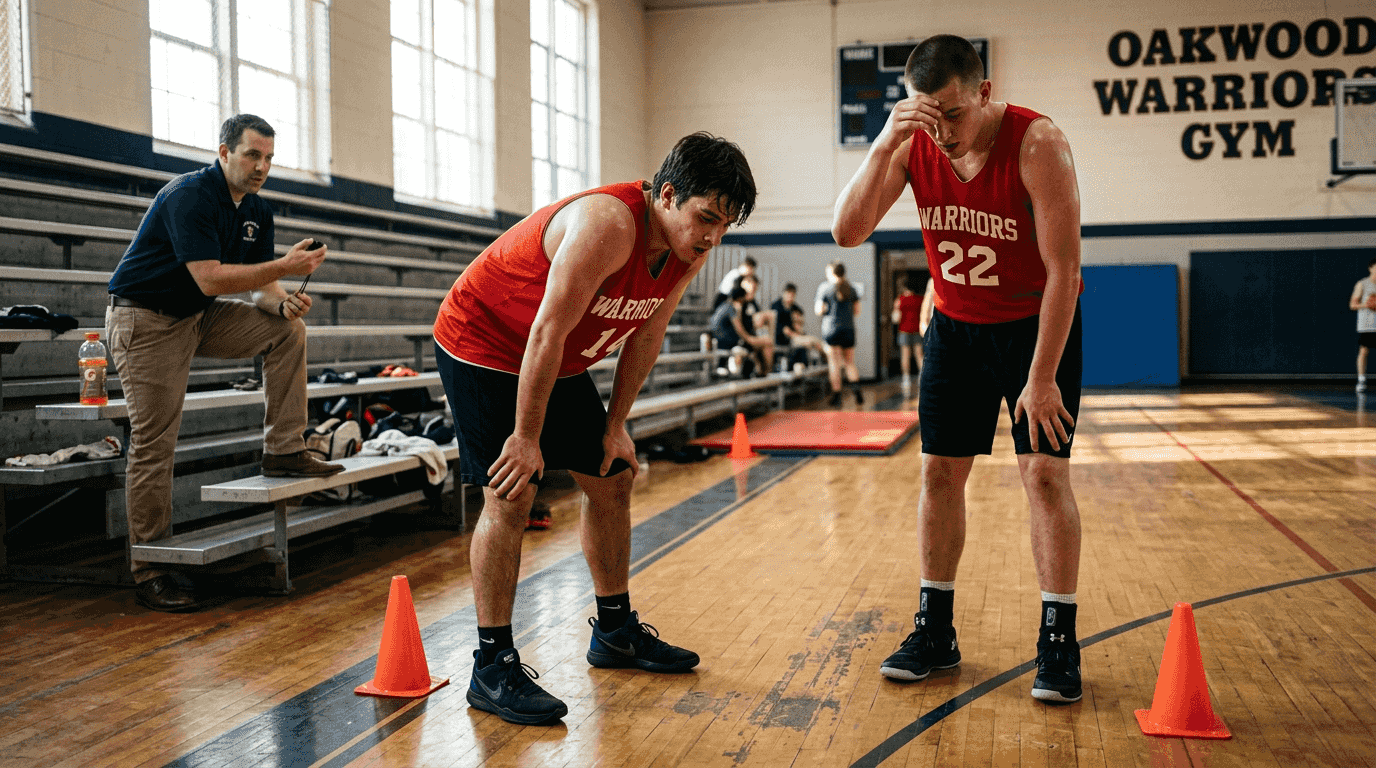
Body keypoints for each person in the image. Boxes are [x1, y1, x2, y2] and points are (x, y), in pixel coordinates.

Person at [432, 132, 756, 725]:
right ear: (665, 195)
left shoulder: (689, 248)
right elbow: (546, 331)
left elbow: (648, 333)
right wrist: (525, 438)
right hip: (483, 340)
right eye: (705, 217)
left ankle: (614, 633)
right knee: (512, 491)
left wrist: (616, 425)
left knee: (612, 476)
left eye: (724, 225)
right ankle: (491, 665)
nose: (712, 236)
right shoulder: (608, 226)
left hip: (553, 356)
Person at [832, 34, 1087, 704]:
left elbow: (1065, 271)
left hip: (1035, 330)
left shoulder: (1039, 145)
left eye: (952, 113)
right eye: (925, 113)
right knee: (939, 472)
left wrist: (1042, 377)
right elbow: (846, 231)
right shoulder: (913, 142)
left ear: (983, 92)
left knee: (1044, 474)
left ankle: (1058, 640)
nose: (940, 130)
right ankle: (935, 630)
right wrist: (885, 143)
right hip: (955, 327)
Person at [106, 114, 344, 613]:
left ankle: (283, 449)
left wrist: (282, 302)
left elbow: (262, 291)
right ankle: (150, 567)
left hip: (196, 316)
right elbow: (210, 279)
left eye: (269, 158)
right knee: (155, 442)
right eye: (252, 155)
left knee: (288, 331)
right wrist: (284, 267)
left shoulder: (257, 208)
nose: (262, 167)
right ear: (223, 153)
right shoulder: (188, 196)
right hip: (145, 320)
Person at [815, 260, 863, 406]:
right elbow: (857, 311)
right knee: (849, 363)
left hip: (831, 329)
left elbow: (818, 310)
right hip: (848, 329)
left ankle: (837, 396)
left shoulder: (825, 288)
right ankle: (857, 392)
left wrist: (828, 310)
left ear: (831, 272)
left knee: (834, 363)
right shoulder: (851, 288)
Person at [710, 285, 771, 378]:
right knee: (752, 346)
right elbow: (740, 330)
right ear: (740, 298)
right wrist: (750, 339)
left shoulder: (723, 306)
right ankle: (761, 373)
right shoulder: (731, 308)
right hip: (725, 340)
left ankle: (758, 372)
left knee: (752, 345)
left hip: (719, 338)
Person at [771, 283, 823, 372]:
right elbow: (784, 329)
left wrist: (799, 331)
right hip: (783, 339)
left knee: (816, 344)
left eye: (792, 295)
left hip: (796, 337)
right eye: (788, 294)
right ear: (784, 293)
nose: (790, 297)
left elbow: (800, 324)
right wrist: (797, 336)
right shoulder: (777, 306)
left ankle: (824, 365)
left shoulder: (795, 308)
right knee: (811, 342)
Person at [738, 273, 775, 374]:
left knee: (768, 342)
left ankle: (765, 374)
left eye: (755, 288)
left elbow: (759, 323)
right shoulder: (740, 301)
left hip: (752, 336)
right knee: (767, 342)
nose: (753, 290)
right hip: (742, 337)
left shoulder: (753, 302)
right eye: (752, 287)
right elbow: (739, 322)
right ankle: (765, 373)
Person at [1350, 256, 1376, 393]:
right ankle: (1361, 380)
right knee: (1364, 351)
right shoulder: (1362, 284)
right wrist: (1366, 305)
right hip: (1367, 324)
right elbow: (1352, 305)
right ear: (1370, 268)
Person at [892, 276, 923, 388]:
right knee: (919, 355)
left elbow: (896, 319)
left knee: (905, 355)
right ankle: (922, 376)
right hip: (917, 329)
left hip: (904, 330)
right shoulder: (920, 299)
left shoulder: (899, 300)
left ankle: (906, 379)